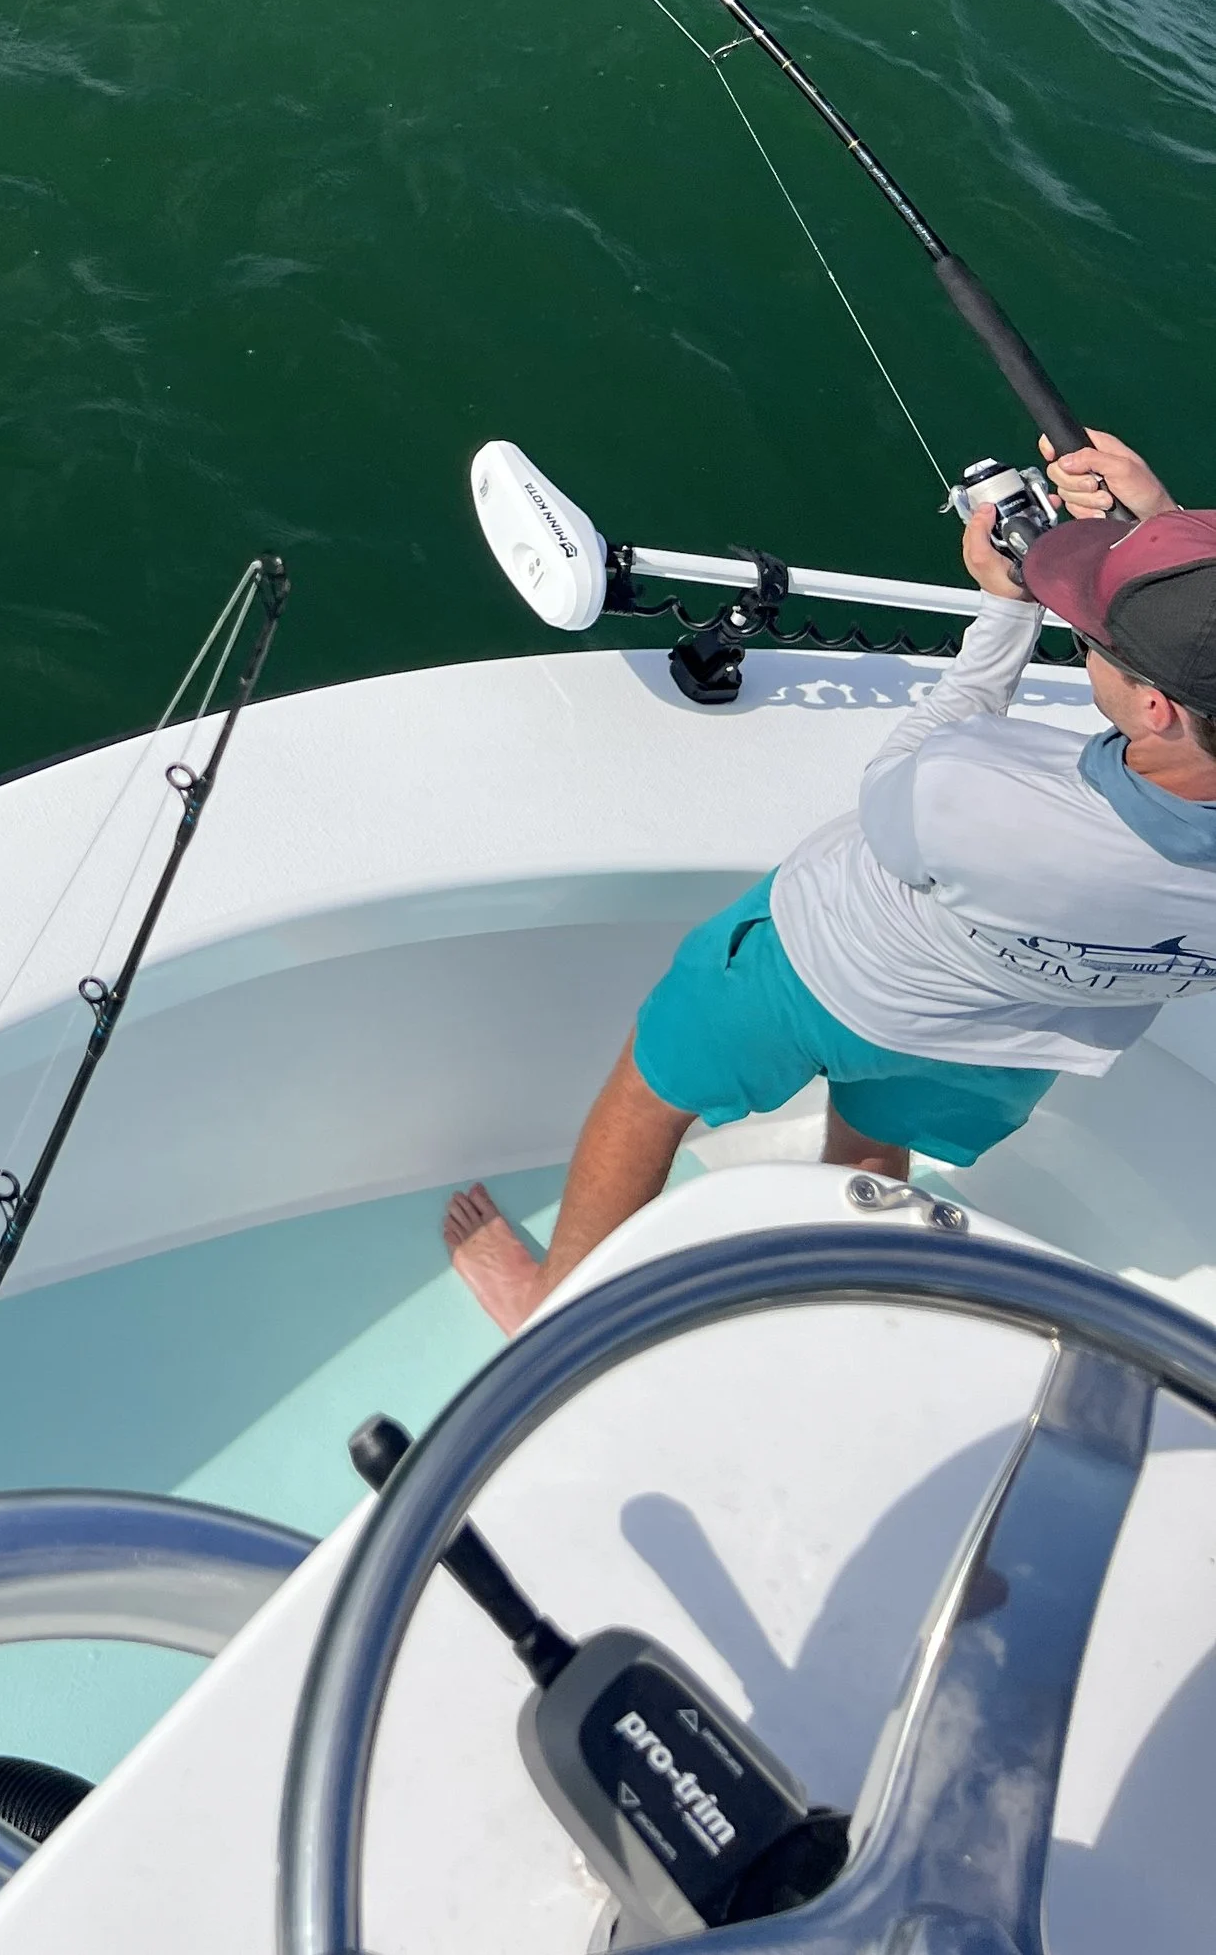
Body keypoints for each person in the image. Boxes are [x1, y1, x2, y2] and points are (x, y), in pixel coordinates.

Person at [445, 430, 1216, 1335]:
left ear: (1157, 708)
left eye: (1094, 637)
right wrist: (1162, 535)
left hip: (829, 976)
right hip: (1016, 1043)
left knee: (651, 1089)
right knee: (878, 1132)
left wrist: (1005, 609)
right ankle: (833, 1248)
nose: (1080, 634)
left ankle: (549, 1306)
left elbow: (908, 766)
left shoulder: (985, 795)